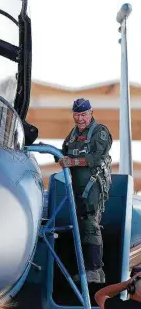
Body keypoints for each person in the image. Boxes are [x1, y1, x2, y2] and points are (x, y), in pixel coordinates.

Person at [58, 98, 112, 284]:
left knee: (90, 224)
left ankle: (95, 270)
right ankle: (87, 270)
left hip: (93, 185)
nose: (80, 118)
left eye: (83, 114)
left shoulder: (100, 132)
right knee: (81, 226)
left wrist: (72, 162)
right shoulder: (72, 135)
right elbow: (63, 152)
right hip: (77, 188)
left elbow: (97, 157)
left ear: (91, 113)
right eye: (77, 114)